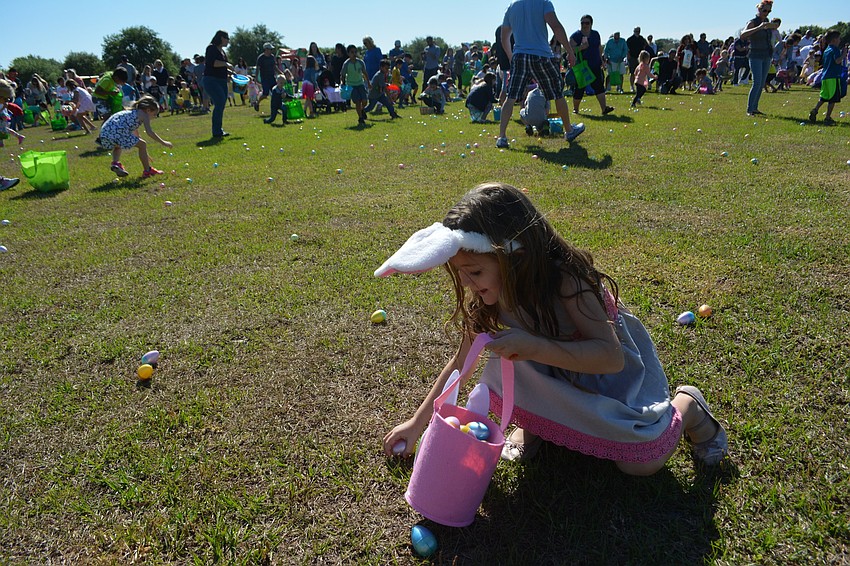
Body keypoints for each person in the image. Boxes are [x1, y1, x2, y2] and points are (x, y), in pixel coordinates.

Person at [379, 183, 729, 476]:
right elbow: (461, 364)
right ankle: (538, 425)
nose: (469, 285)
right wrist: (416, 423)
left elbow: (610, 358)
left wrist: (532, 347)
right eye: (462, 274)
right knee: (504, 362)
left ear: (513, 257)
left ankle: (689, 406)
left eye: (475, 272)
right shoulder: (492, 295)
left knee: (642, 464)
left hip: (607, 380)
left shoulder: (565, 280)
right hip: (556, 374)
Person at [496, 0, 585, 149]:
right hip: (541, 55)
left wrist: (512, 57)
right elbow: (556, 27)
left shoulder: (512, 7)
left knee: (511, 97)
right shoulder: (543, 2)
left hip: (519, 55)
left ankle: (502, 137)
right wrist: (569, 51)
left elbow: (504, 37)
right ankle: (569, 130)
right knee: (557, 93)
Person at [99, 95, 172, 178]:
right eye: (154, 114)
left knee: (118, 146)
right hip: (117, 132)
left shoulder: (132, 113)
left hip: (105, 134)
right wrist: (163, 142)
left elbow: (136, 134)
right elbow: (150, 132)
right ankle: (147, 171)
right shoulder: (144, 115)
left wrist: (145, 154)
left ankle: (116, 163)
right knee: (142, 144)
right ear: (148, 110)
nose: (154, 116)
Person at [740, 0, 779, 116]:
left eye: (769, 11)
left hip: (766, 55)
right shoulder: (753, 22)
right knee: (756, 83)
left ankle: (755, 108)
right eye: (764, 10)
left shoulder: (766, 21)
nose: (766, 13)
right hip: (755, 55)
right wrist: (759, 27)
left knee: (762, 83)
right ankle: (749, 109)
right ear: (759, 9)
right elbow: (743, 34)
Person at [570, 15, 614, 116]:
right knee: (580, 88)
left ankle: (604, 109)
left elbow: (599, 48)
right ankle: (575, 110)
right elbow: (570, 50)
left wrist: (602, 61)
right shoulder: (575, 36)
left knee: (599, 86)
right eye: (582, 23)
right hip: (582, 66)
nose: (584, 25)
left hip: (595, 64)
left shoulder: (595, 34)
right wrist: (582, 47)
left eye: (587, 23)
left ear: (591, 24)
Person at [809, 30, 847, 125]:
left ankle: (815, 110)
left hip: (825, 76)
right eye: (839, 38)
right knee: (833, 98)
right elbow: (837, 61)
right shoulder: (835, 49)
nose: (840, 40)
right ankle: (828, 117)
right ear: (834, 40)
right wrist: (844, 54)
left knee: (824, 96)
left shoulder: (827, 50)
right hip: (833, 77)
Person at [203, 30, 235, 138]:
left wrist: (233, 73)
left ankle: (219, 130)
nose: (228, 41)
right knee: (220, 101)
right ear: (221, 38)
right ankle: (216, 131)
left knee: (221, 104)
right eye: (227, 39)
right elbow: (214, 63)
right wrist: (227, 64)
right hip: (211, 80)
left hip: (222, 80)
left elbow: (223, 67)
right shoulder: (211, 48)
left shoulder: (222, 51)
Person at [340, 44, 371, 126]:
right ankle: (360, 118)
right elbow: (342, 75)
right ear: (348, 53)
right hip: (351, 85)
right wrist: (342, 84)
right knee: (357, 102)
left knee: (364, 101)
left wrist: (368, 83)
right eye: (352, 52)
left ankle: (362, 109)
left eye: (355, 52)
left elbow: (365, 73)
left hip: (360, 84)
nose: (354, 54)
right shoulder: (346, 64)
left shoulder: (360, 62)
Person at [255, 43, 279, 110]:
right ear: (266, 49)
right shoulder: (261, 58)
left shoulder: (272, 57)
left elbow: (275, 67)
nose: (271, 50)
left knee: (275, 93)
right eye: (270, 49)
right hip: (264, 78)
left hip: (272, 77)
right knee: (265, 94)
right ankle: (257, 103)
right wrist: (256, 78)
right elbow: (258, 68)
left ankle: (275, 108)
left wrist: (281, 72)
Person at [627, 27, 649, 92]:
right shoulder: (630, 39)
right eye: (636, 31)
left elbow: (646, 45)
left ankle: (640, 86)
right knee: (632, 72)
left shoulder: (641, 39)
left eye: (638, 31)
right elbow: (627, 49)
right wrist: (629, 57)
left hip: (641, 58)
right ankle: (632, 86)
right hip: (632, 58)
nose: (637, 32)